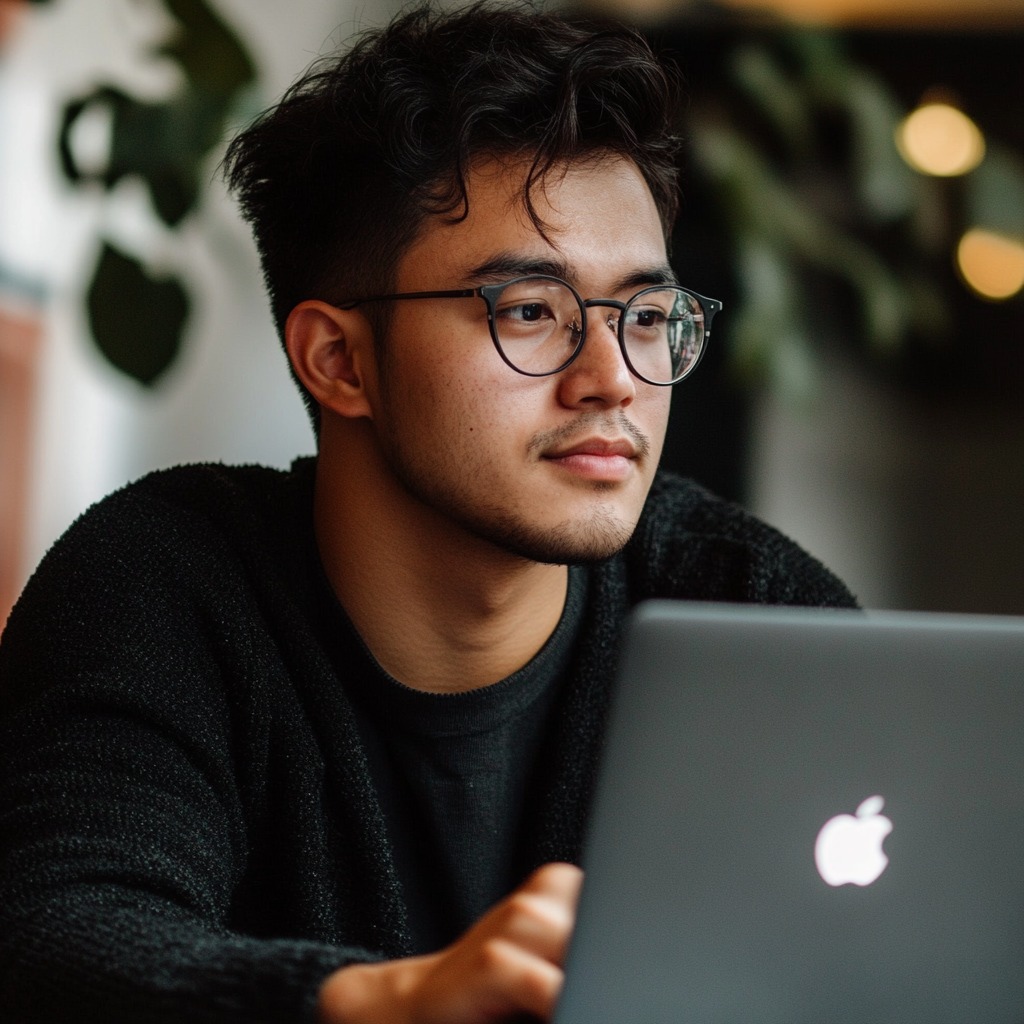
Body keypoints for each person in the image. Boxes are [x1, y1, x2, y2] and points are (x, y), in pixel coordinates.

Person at [0, 4, 857, 1022]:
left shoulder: (751, 607)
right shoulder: (165, 585)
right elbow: (58, 941)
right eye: (530, 311)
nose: (612, 380)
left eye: (644, 315)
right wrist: (391, 1003)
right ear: (338, 359)